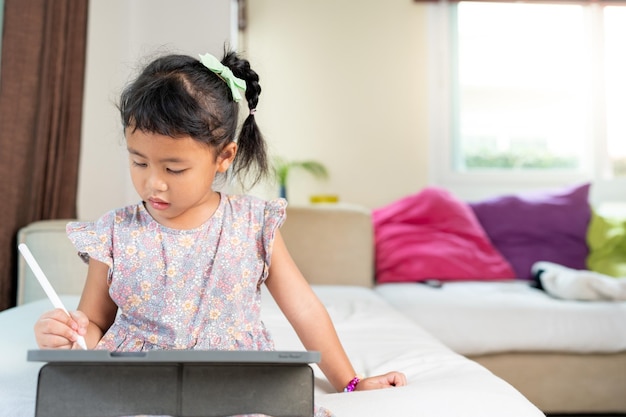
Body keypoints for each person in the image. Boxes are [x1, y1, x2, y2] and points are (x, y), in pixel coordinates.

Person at [33, 49, 406, 416]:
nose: (153, 183)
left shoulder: (253, 224)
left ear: (224, 157)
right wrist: (71, 337)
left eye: (174, 169)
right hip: (139, 383)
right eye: (138, 161)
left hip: (235, 381)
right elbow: (94, 324)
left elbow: (305, 309)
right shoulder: (114, 232)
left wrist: (349, 382)